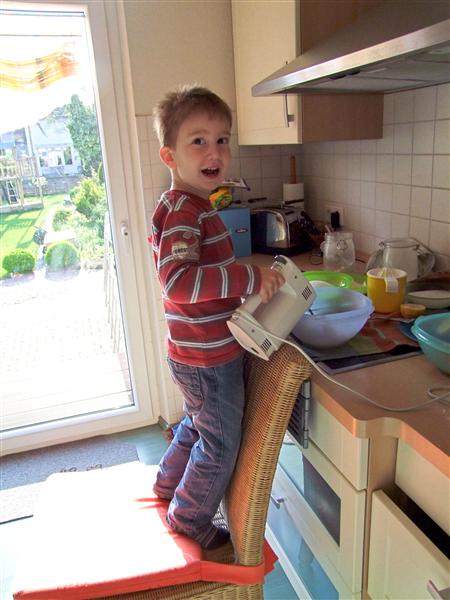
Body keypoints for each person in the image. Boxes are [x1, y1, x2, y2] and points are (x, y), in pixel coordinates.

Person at [150, 84, 284, 549]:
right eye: (199, 141)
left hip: (194, 351)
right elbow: (178, 283)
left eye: (222, 139)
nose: (215, 151)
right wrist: (248, 277)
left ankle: (167, 485)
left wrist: (243, 282)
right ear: (170, 156)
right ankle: (189, 519)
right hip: (207, 358)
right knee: (220, 443)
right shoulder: (184, 212)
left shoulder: (189, 205)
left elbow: (199, 276)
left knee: (197, 423)